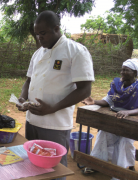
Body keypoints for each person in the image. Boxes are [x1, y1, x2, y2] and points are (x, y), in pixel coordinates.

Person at [16, 11, 94, 180]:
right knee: (33, 167)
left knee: (55, 171)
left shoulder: (76, 51)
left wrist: (53, 108)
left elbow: (85, 89)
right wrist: (23, 98)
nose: (39, 38)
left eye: (42, 33)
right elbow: (28, 81)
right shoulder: (38, 54)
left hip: (55, 125)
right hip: (32, 121)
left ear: (56, 28)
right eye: (37, 34)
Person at [82, 59, 138, 179]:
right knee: (102, 134)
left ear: (135, 73)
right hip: (114, 121)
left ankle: (119, 171)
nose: (122, 72)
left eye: (126, 70)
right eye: (122, 69)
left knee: (124, 141)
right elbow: (108, 100)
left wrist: (128, 112)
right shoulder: (117, 85)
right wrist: (94, 101)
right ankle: (95, 164)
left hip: (130, 124)